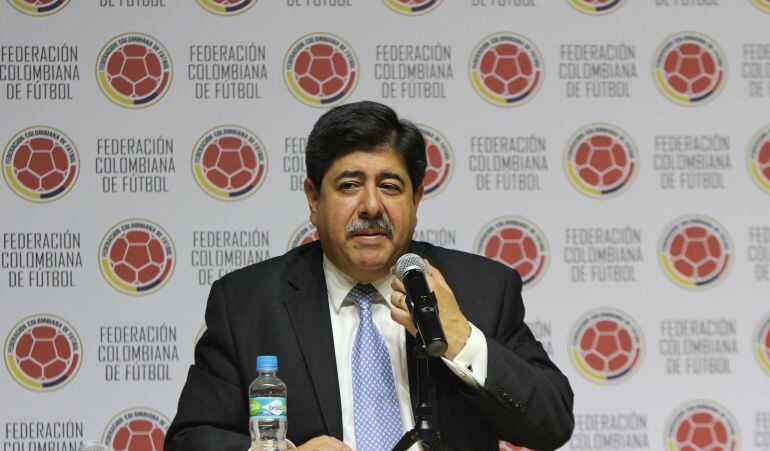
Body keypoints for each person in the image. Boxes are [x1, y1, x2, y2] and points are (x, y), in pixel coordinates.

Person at [165, 101, 574, 451]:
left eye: (391, 187)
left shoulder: (479, 288)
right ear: (313, 199)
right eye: (349, 186)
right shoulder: (247, 303)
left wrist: (462, 340)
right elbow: (191, 439)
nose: (372, 207)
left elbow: (552, 422)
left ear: (416, 199)